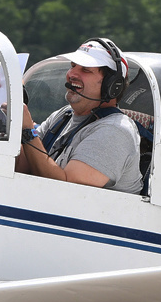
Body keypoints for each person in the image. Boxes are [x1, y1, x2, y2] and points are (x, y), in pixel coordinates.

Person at [16, 38, 143, 194]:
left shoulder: (115, 131)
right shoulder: (63, 115)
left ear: (112, 86)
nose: (71, 74)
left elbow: (67, 191)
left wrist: (28, 131)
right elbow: (23, 166)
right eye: (73, 66)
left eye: (86, 70)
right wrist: (10, 117)